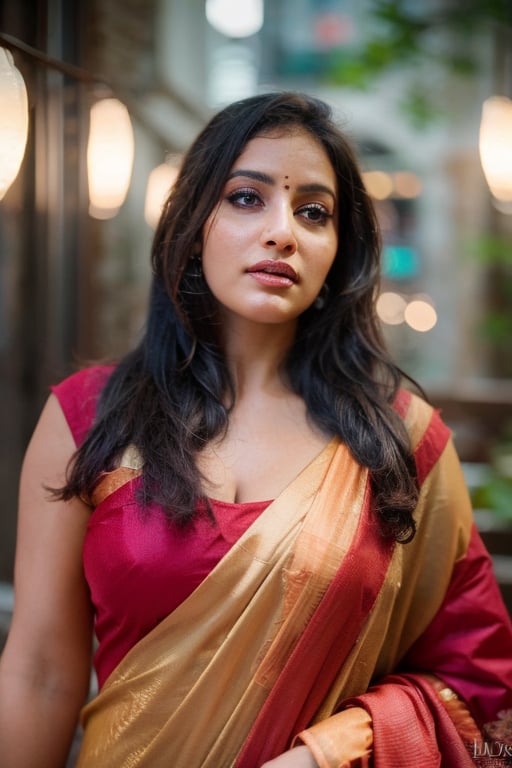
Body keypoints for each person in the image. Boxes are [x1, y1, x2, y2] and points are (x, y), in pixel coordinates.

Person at [0, 91, 511, 768]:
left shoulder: (401, 443)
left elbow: (479, 689)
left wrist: (328, 754)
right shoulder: (88, 416)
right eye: (247, 198)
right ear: (192, 222)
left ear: (338, 250)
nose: (283, 232)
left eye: (313, 213)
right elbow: (40, 670)